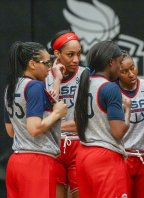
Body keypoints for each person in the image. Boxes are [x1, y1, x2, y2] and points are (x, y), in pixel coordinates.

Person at [4, 41, 68, 197]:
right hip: (37, 162)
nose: (49, 66)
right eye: (46, 62)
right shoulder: (35, 87)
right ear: (32, 64)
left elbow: (11, 131)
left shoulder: (11, 87)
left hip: (16, 162)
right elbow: (34, 128)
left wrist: (57, 80)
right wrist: (57, 114)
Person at [74, 41, 131, 197]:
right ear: (111, 62)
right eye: (119, 63)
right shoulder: (110, 88)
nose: (120, 68)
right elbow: (118, 132)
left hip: (83, 155)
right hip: (105, 157)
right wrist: (128, 110)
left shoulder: (85, 84)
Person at [45, 30, 86, 198]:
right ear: (57, 53)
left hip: (79, 145)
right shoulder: (44, 76)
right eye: (70, 54)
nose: (76, 59)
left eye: (78, 54)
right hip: (54, 146)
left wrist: (51, 124)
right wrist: (58, 79)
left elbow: (85, 121)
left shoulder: (85, 74)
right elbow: (43, 113)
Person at [117, 51, 144, 198]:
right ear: (116, 72)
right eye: (124, 71)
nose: (131, 74)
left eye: (133, 68)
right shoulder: (111, 91)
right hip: (123, 158)